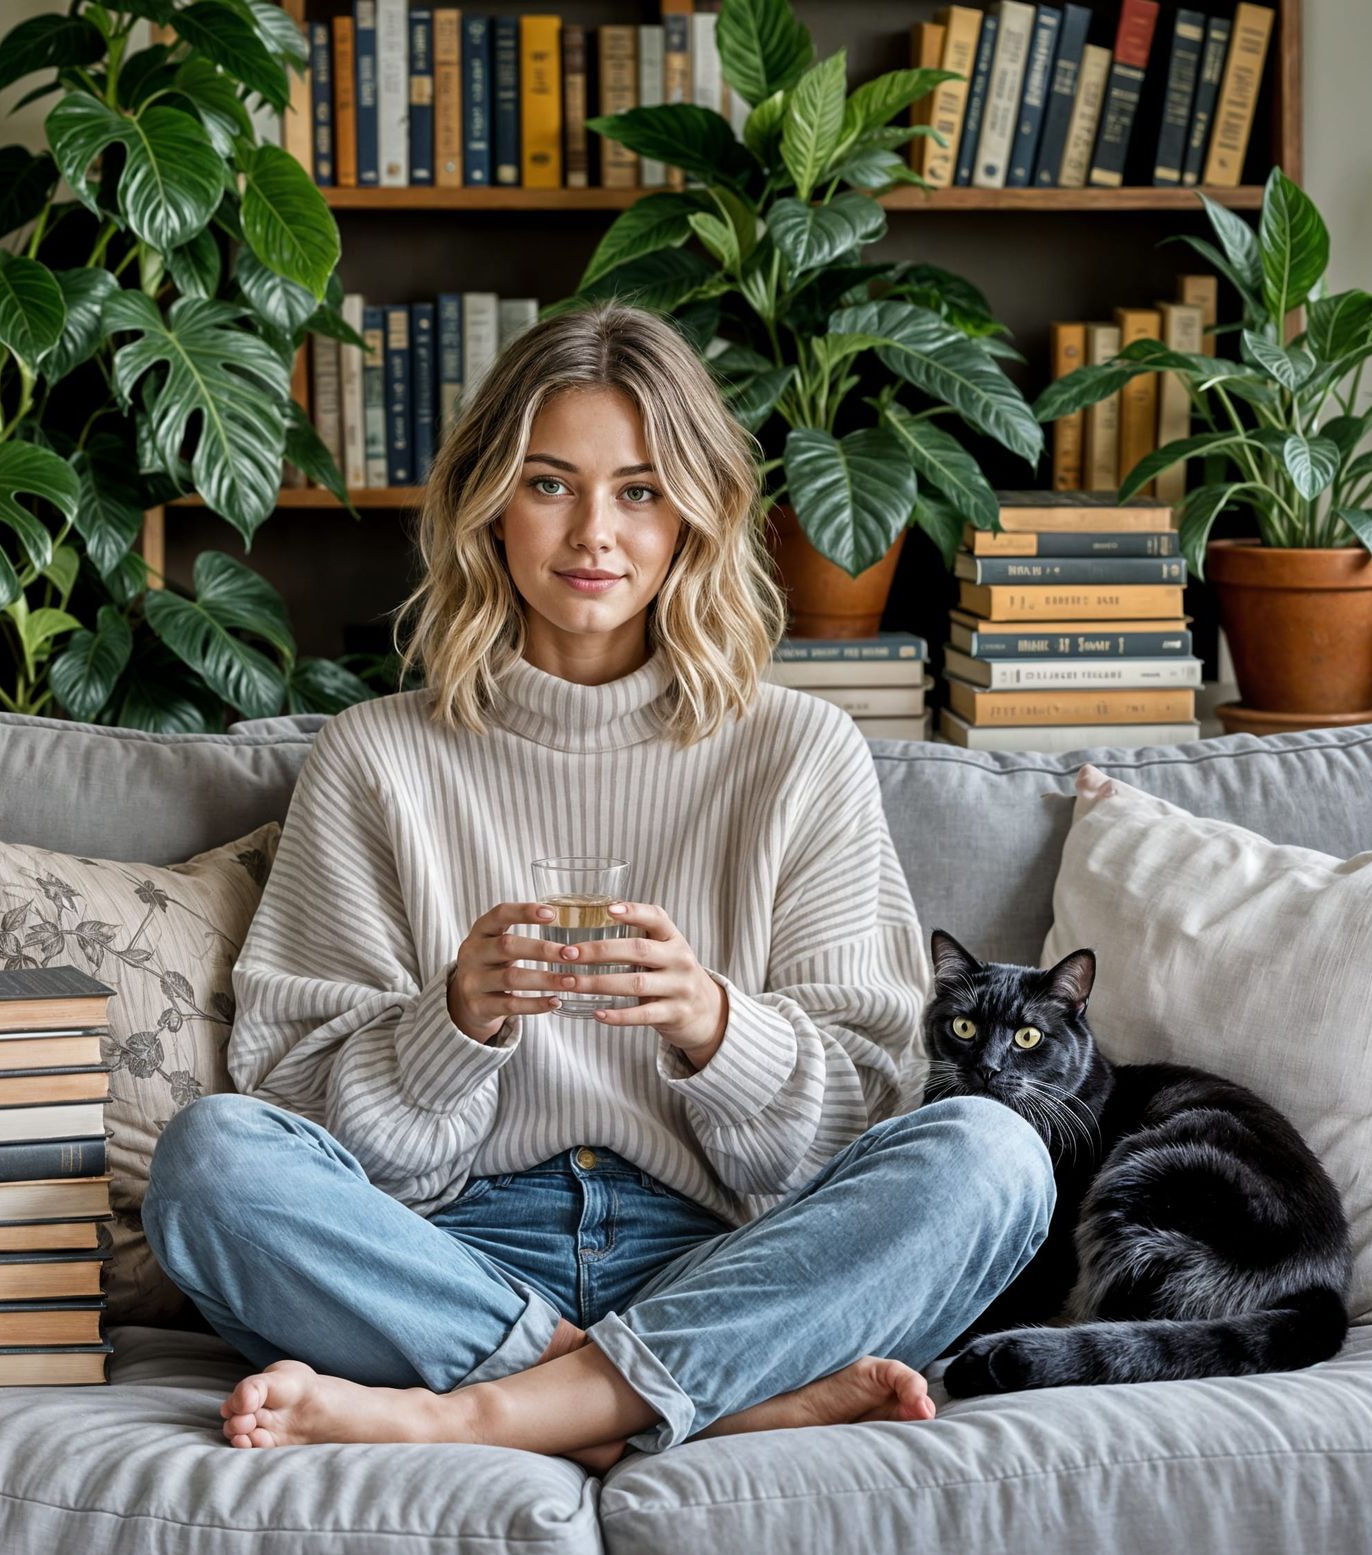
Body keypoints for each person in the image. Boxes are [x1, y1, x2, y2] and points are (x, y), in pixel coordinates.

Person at [140, 301, 1056, 1469]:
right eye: (548, 483)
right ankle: (688, 1395)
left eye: (638, 489)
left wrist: (719, 1029)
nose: (594, 534)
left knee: (993, 1154)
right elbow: (288, 1099)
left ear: (693, 516)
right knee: (208, 1160)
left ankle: (481, 1410)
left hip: (730, 1253)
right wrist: (447, 1026)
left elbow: (878, 1105)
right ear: (488, 505)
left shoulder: (799, 752)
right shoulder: (376, 757)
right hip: (450, 1250)